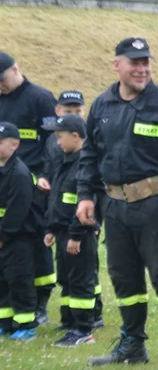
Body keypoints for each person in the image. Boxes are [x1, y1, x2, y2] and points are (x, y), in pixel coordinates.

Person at [78, 38, 158, 370]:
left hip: (157, 205)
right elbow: (90, 154)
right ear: (117, 65)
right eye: (134, 62)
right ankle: (132, 342)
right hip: (115, 207)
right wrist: (85, 195)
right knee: (123, 276)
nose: (142, 68)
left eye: (146, 61)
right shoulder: (102, 105)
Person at [0, 52, 59, 326]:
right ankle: (11, 301)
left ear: (15, 69)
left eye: (1, 79)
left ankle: (40, 302)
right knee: (9, 245)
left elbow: (54, 141)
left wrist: (47, 175)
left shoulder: (40, 98)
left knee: (36, 243)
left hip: (35, 185)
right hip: (4, 182)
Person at [42, 90, 103, 333]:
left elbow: (87, 204)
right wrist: (50, 228)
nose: (56, 143)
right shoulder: (64, 162)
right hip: (63, 231)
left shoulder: (85, 167)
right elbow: (58, 201)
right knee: (66, 279)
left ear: (76, 136)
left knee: (81, 281)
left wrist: (77, 234)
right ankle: (69, 321)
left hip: (78, 234)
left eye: (60, 138)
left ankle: (83, 327)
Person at [0, 121, 39, 340]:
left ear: (15, 144)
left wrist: (2, 236)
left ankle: (26, 324)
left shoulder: (19, 173)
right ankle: (5, 321)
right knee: (2, 280)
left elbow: (17, 211)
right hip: (2, 236)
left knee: (19, 279)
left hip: (17, 237)